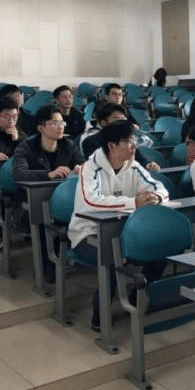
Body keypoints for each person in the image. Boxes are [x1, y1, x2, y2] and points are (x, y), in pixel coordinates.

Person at [67, 120, 169, 332]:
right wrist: (133, 202)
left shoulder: (134, 166)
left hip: (125, 233)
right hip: (88, 234)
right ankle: (100, 315)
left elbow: (160, 187)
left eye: (135, 142)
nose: (134, 147)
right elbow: (91, 201)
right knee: (112, 257)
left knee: (161, 249)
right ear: (112, 145)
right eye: (129, 142)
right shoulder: (89, 168)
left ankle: (138, 297)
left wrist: (156, 198)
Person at [12, 104, 85, 284]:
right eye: (54, 123)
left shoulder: (69, 145)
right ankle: (47, 269)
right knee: (46, 222)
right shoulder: (26, 146)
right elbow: (19, 174)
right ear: (41, 128)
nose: (60, 127)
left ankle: (69, 258)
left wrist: (80, 168)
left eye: (61, 123)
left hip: (63, 199)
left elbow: (84, 164)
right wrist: (48, 174)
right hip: (33, 200)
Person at [80, 101, 160, 171]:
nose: (122, 123)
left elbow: (139, 157)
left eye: (124, 119)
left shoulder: (128, 139)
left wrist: (148, 164)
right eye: (117, 119)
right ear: (104, 123)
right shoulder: (91, 142)